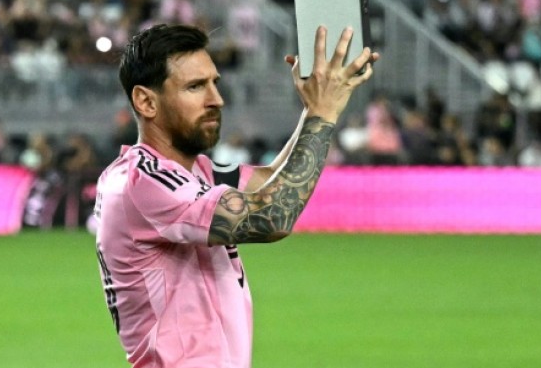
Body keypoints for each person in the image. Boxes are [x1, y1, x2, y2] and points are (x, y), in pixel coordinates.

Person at [94, 23, 378, 367]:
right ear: (146, 101)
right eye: (195, 86)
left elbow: (271, 180)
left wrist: (313, 108)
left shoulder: (193, 171)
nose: (216, 99)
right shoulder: (142, 181)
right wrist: (322, 114)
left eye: (215, 83)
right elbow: (272, 216)